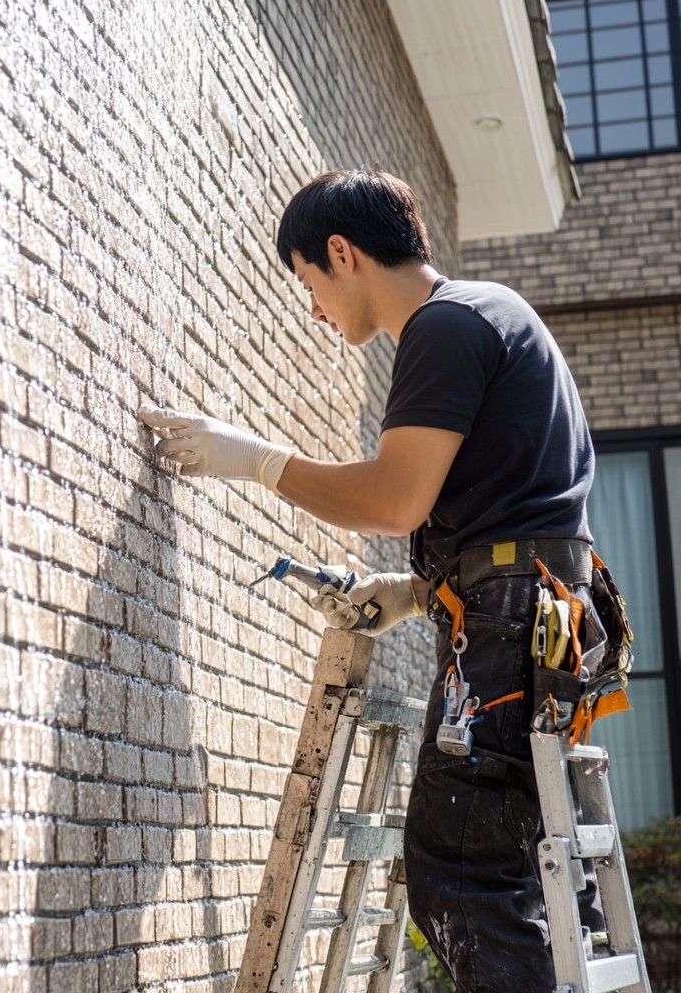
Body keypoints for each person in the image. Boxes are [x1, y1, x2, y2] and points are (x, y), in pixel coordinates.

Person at [139, 167, 607, 991]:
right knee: (523, 869)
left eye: (309, 282)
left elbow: (396, 499)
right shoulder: (491, 314)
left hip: (514, 624)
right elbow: (517, 509)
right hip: (543, 616)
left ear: (342, 253)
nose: (314, 310)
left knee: (460, 867)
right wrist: (415, 591)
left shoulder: (447, 325)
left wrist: (255, 461)